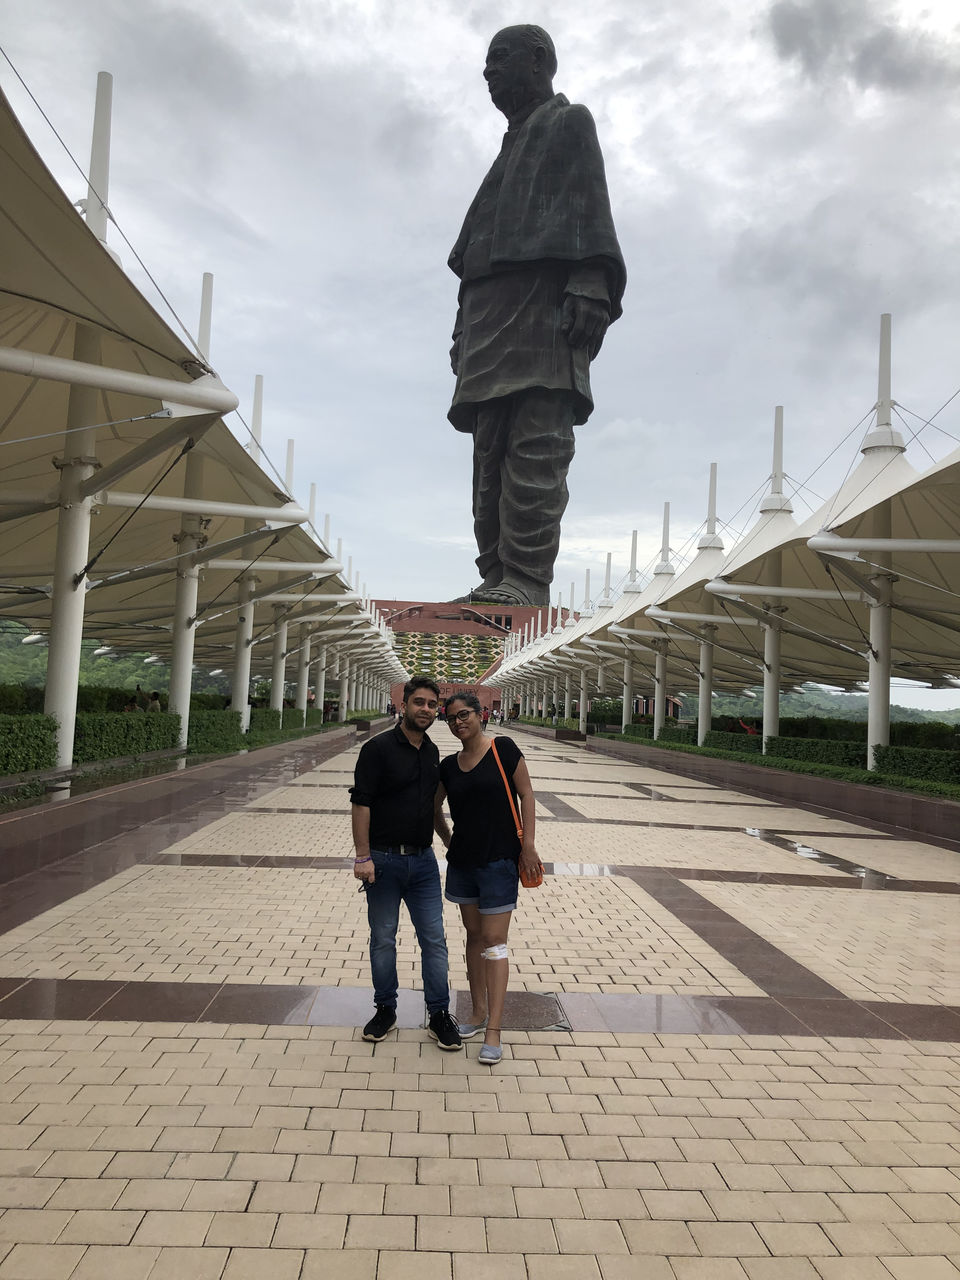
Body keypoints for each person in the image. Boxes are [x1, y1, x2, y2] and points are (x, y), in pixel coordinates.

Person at [448, 24, 626, 608]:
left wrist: (591, 280)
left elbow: (590, 203)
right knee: (489, 453)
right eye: (486, 61)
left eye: (501, 58)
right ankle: (497, 569)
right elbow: (472, 253)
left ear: (540, 60)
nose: (489, 71)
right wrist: (460, 327)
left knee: (537, 443)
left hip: (542, 307)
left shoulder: (567, 122)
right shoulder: (507, 146)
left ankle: (525, 576)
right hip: (488, 314)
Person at [350, 676, 462, 1051]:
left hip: (424, 863)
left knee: (435, 940)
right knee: (383, 939)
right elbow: (361, 803)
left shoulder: (432, 752)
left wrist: (448, 842)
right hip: (382, 861)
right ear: (404, 704)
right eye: (419, 703)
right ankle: (386, 1009)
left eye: (432, 704)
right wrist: (363, 856)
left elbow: (433, 808)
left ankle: (439, 1014)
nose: (426, 710)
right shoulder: (377, 749)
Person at [435, 691, 540, 1064]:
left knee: (495, 941)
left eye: (465, 714)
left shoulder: (504, 748)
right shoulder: (448, 765)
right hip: (464, 864)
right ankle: (477, 1013)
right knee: (474, 936)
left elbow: (526, 795)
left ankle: (494, 1028)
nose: (459, 722)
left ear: (481, 715)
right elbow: (435, 809)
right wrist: (450, 840)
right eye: (451, 718)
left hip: (499, 862)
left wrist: (527, 846)